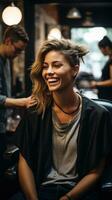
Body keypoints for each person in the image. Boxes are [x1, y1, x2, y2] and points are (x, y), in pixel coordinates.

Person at [14, 39, 112, 200]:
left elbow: (96, 171)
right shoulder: (35, 112)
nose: (48, 72)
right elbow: (25, 162)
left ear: (75, 69)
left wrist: (68, 198)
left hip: (79, 192)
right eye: (45, 66)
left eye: (57, 65)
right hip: (40, 190)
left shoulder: (98, 115)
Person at [0, 25, 36, 181]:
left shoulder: (6, 60)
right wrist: (22, 102)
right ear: (8, 41)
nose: (19, 54)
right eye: (17, 50)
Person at [90, 36, 112, 101]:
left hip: (109, 96)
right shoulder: (109, 59)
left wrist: (96, 84)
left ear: (106, 48)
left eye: (100, 49)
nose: (101, 51)